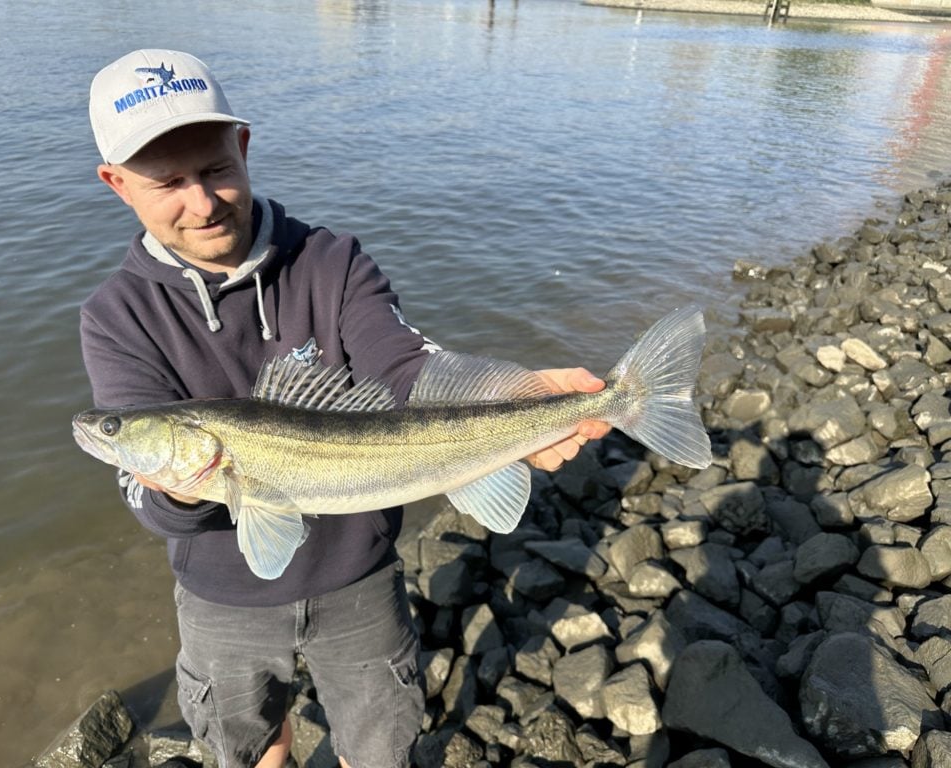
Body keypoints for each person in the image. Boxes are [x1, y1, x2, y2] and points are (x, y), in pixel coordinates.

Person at [82, 48, 610, 768]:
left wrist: (516, 403)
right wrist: (170, 489)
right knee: (246, 743)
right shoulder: (117, 316)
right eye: (168, 182)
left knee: (381, 742)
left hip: (360, 580)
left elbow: (403, 367)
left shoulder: (332, 261)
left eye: (213, 170)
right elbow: (147, 502)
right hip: (221, 599)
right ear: (117, 184)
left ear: (242, 146)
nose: (201, 203)